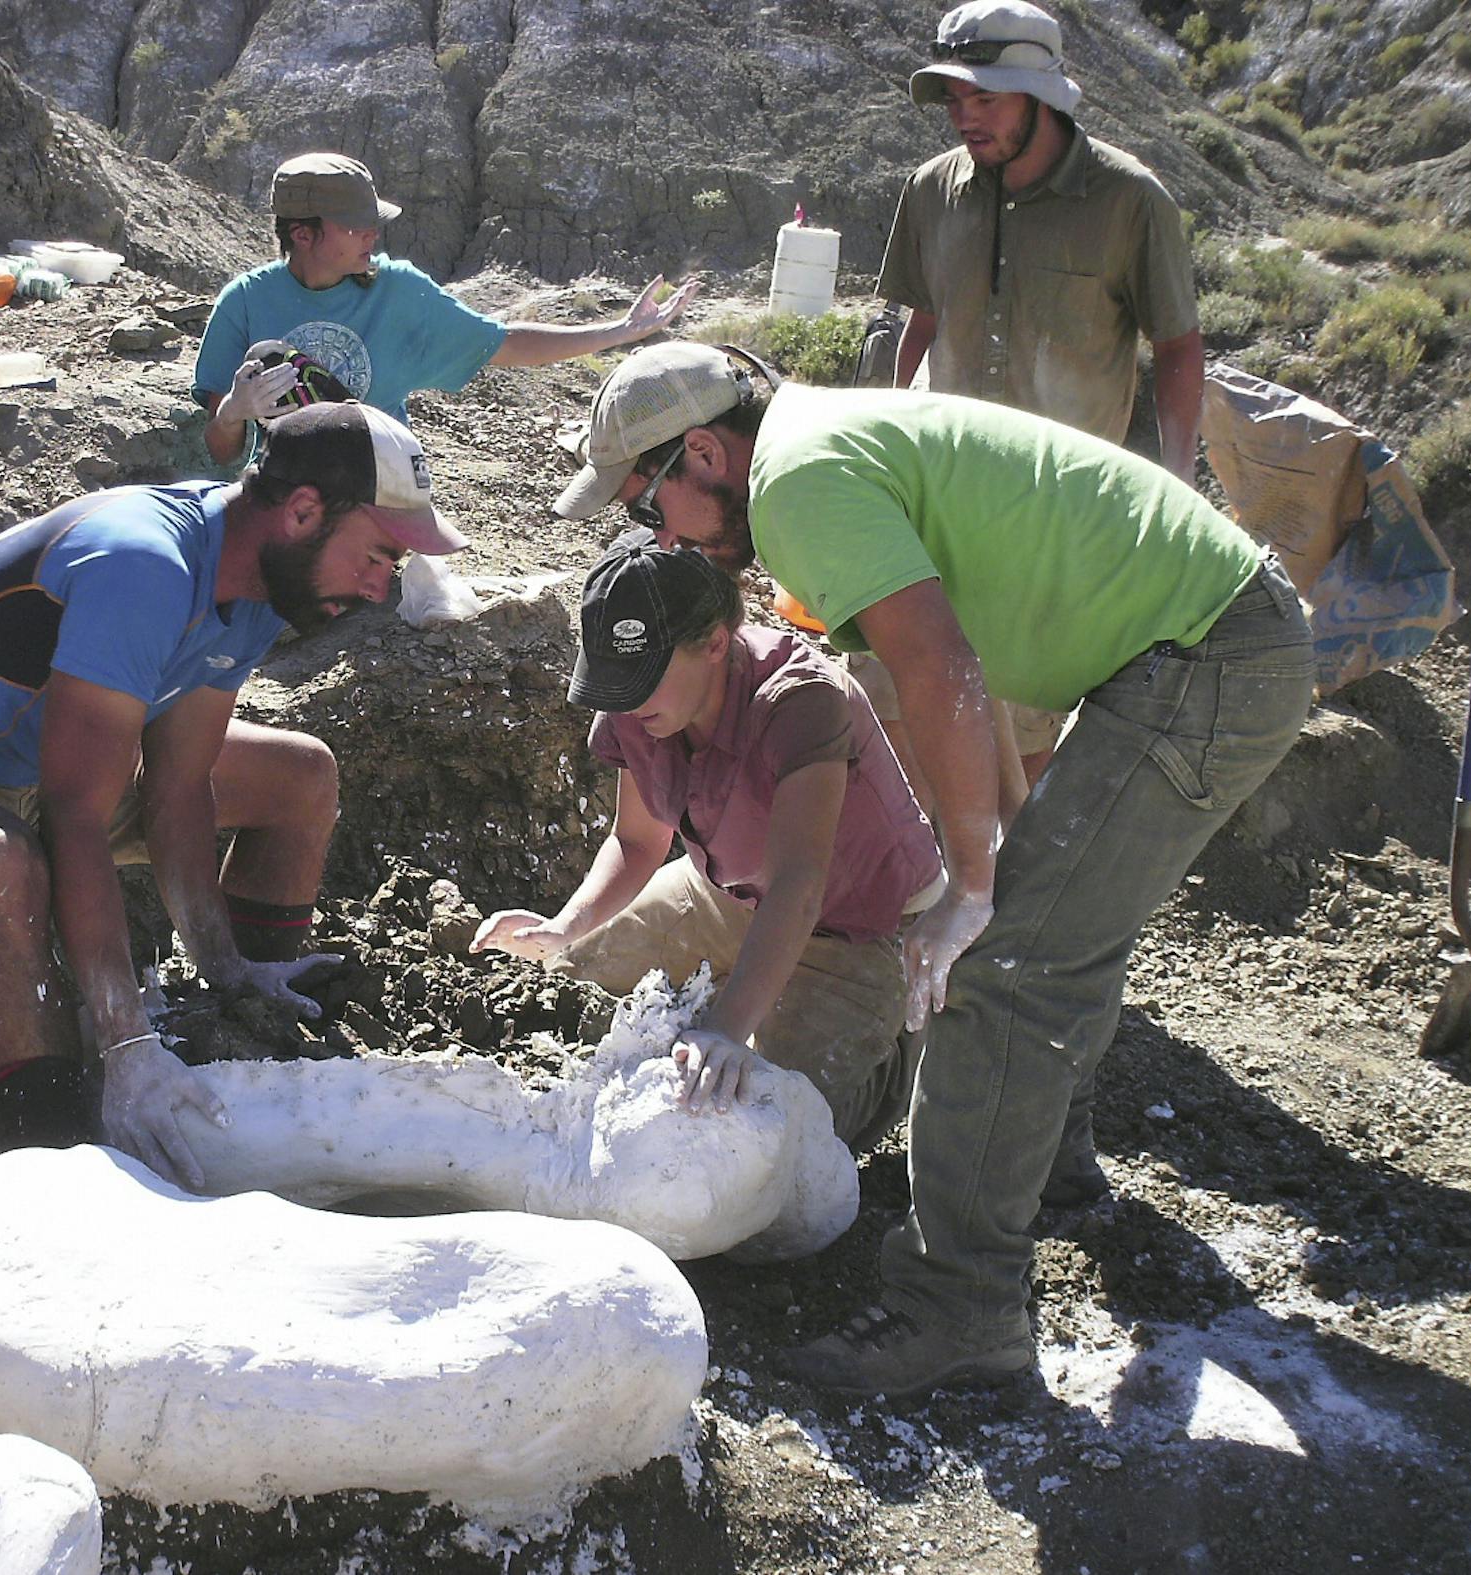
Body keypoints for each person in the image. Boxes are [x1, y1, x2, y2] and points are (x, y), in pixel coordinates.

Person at [552, 342, 1313, 1396]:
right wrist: (998, 838)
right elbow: (966, 661)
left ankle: (960, 1308)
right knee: (1045, 943)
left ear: (701, 455)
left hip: (1206, 652)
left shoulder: (800, 488)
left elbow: (942, 668)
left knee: (1001, 965)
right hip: (1205, 633)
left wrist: (974, 881)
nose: (657, 537)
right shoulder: (829, 448)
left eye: (649, 505)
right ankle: (1051, 1172)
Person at [0, 402, 466, 1188]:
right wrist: (126, 1044)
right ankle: (51, 1151)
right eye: (379, 555)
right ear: (302, 512)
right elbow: (76, 813)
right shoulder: (145, 564)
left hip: (31, 775)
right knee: (3, 865)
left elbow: (181, 785)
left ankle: (248, 1030)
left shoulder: (258, 586)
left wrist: (223, 965)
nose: (382, 587)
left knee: (300, 776)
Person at [471, 535, 944, 1152]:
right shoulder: (635, 702)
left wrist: (724, 1029)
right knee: (573, 980)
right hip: (727, 890)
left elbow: (800, 886)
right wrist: (566, 924)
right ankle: (736, 991)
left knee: (773, 1131)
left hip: (856, 928)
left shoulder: (802, 701)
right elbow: (638, 840)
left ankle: (901, 1045)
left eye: (642, 680)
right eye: (615, 683)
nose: (625, 702)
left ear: (716, 644)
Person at [875, 0, 1206, 790]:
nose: (965, 117)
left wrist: (1176, 486)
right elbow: (913, 326)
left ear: (1043, 93)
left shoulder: (1130, 202)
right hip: (939, 500)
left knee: (1022, 730)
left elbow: (1179, 347)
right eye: (955, 99)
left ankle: (1012, 892)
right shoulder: (930, 193)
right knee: (899, 699)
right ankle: (922, 880)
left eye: (984, 97)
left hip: (1057, 519)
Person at [194, 151, 699, 466]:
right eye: (355, 226)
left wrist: (619, 331)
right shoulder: (245, 301)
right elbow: (221, 450)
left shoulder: (397, 291)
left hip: (378, 484)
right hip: (283, 487)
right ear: (303, 234)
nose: (373, 234)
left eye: (374, 221)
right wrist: (234, 413)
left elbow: (503, 343)